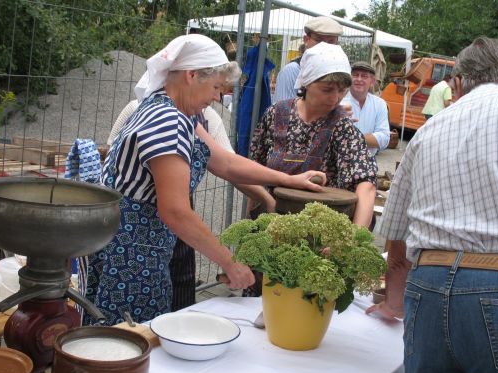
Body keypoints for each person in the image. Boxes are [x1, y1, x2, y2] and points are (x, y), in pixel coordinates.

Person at [82, 34, 325, 326]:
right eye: (216, 87)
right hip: (132, 257)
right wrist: (230, 262)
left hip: (137, 249)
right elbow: (175, 211)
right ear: (191, 75)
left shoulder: (171, 111)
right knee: (127, 341)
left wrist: (289, 178)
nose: (218, 97)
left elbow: (224, 162)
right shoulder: (167, 122)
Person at [367, 37, 498, 373]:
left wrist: (394, 302)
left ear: (457, 84)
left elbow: (395, 237)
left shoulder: (427, 131)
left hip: (430, 285)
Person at [247, 42, 377, 296]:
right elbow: (252, 169)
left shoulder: (343, 127)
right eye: (327, 89)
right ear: (306, 83)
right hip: (272, 228)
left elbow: (366, 184)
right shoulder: (276, 115)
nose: (335, 98)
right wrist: (259, 209)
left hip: (317, 241)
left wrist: (352, 239)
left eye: (341, 90)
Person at [272, 16, 343, 104]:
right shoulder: (292, 71)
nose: (324, 46)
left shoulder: (336, 71)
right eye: (319, 40)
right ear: (306, 40)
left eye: (330, 41)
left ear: (337, 44)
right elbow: (283, 114)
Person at [340, 61, 390, 157]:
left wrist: (354, 138)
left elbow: (384, 139)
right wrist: (370, 139)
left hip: (367, 162)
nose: (359, 79)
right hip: (339, 159)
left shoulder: (380, 104)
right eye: (355, 75)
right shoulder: (339, 100)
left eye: (364, 76)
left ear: (372, 81)